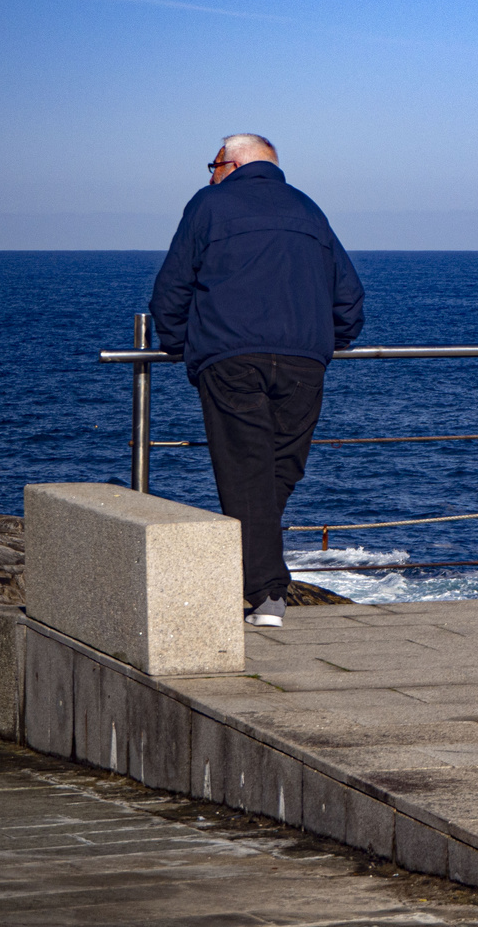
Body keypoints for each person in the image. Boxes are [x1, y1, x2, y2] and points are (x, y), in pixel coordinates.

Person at [149, 134, 364, 628]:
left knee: (247, 473)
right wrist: (329, 339)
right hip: (303, 363)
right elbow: (349, 296)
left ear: (234, 162)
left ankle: (267, 595)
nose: (209, 174)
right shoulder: (309, 210)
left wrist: (184, 347)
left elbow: (172, 288)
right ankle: (261, 579)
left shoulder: (208, 205)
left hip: (231, 358)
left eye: (214, 163)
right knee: (277, 471)